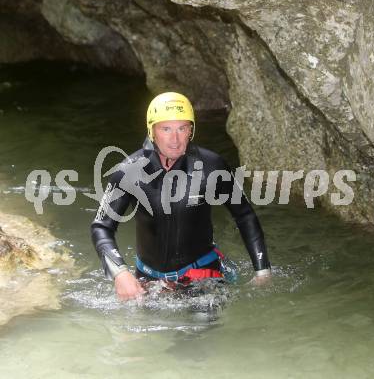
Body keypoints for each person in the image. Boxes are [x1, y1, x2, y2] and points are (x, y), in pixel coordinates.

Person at [91, 92, 271, 301]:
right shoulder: (128, 171)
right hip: (149, 280)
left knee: (197, 331)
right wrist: (120, 273)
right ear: (152, 131)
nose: (175, 139)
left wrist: (262, 271)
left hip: (203, 277)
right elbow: (101, 226)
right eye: (166, 129)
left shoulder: (212, 167)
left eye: (182, 128)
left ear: (191, 131)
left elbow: (245, 215)